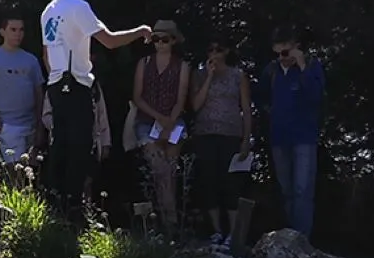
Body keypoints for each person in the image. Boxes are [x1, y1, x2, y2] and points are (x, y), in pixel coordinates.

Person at [39, 0, 152, 219]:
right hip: (76, 85)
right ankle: (74, 212)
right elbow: (110, 41)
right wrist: (141, 31)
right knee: (80, 148)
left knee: (60, 146)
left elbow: (46, 53)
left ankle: (55, 208)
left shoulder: (49, 9)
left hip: (56, 85)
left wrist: (57, 77)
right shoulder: (78, 7)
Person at [259, 32, 326, 238]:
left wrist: (303, 66)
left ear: (296, 46)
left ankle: (302, 239)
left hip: (304, 137)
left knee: (302, 191)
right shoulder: (271, 71)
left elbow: (316, 96)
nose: (281, 57)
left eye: (285, 52)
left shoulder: (312, 66)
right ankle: (288, 238)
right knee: (286, 190)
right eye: (277, 53)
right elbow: (260, 97)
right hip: (279, 137)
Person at [188, 39, 253, 246]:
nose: (214, 53)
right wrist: (208, 77)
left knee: (230, 183)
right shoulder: (199, 75)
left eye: (219, 49)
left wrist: (246, 139)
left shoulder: (238, 75)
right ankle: (216, 230)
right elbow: (195, 105)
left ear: (227, 50)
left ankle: (233, 233)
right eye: (211, 49)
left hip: (231, 134)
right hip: (205, 134)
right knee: (209, 182)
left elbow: (246, 109)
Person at [129, 20, 190, 234]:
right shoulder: (144, 63)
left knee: (170, 173)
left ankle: (170, 223)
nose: (160, 43)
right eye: (155, 39)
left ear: (173, 41)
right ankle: (163, 222)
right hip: (147, 121)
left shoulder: (182, 66)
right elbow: (137, 96)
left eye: (164, 39)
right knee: (158, 170)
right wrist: (159, 118)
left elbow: (181, 98)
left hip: (174, 122)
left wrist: (169, 122)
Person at [0, 12, 45, 168]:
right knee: (13, 172)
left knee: (32, 173)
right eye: (13, 29)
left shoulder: (31, 59)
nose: (18, 34)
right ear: (2, 31)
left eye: (21, 30)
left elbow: (39, 94)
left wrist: (40, 125)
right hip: (8, 125)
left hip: (31, 125)